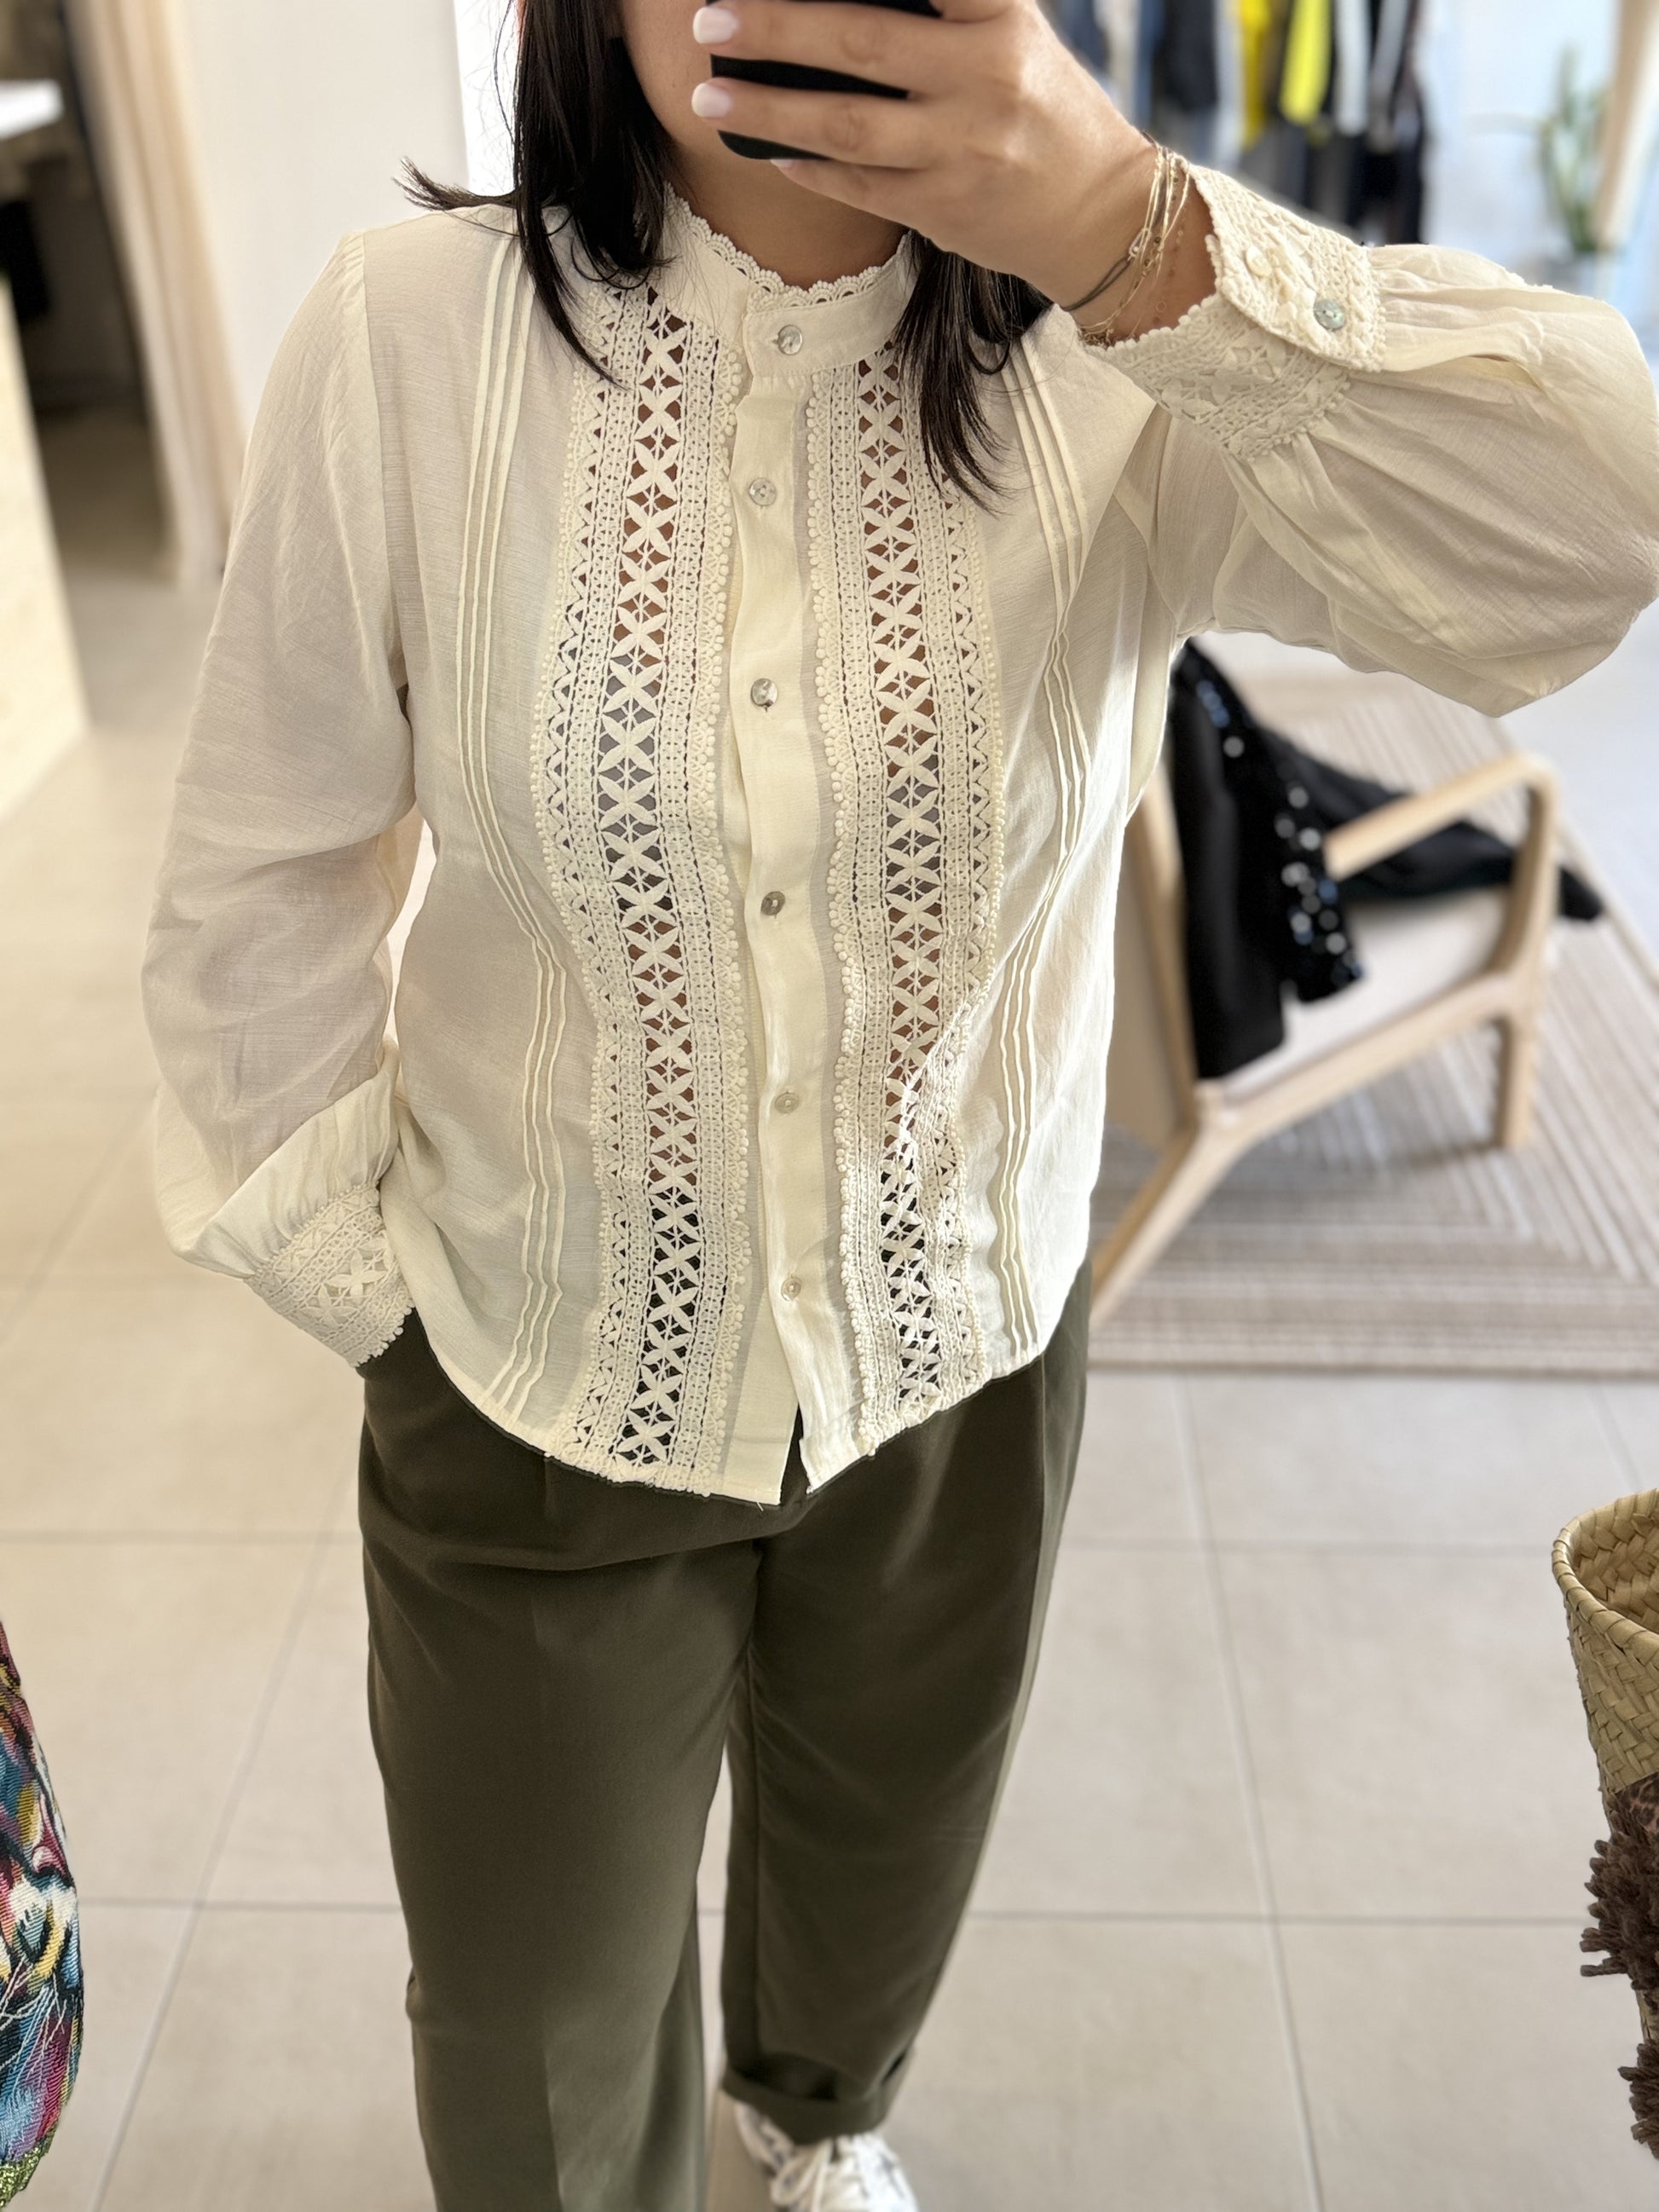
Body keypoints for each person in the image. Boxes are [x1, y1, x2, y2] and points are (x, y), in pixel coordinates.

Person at [140, 0, 1659, 2206]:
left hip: (962, 1352)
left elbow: (1593, 527)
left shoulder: (1116, 362)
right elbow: (257, 870)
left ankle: (818, 2114)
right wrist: (375, 1290)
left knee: (880, 1868)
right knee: (532, 2030)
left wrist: (1125, 230)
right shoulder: (403, 341)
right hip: (528, 1374)